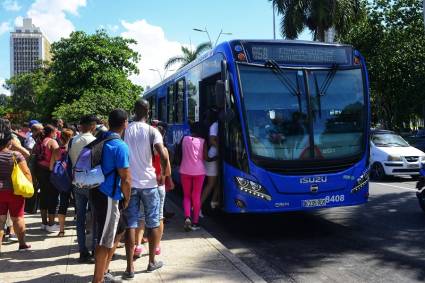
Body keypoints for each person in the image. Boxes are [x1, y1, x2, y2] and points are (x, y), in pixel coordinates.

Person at [123, 99, 169, 278]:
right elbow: (162, 153)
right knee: (154, 222)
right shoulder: (152, 130)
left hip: (131, 184)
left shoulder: (126, 130)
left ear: (133, 111)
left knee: (131, 224)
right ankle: (151, 262)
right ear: (148, 112)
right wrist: (163, 174)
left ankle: (129, 268)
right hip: (150, 184)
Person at [92, 109, 131, 283]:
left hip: (98, 190)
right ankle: (98, 279)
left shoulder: (101, 138)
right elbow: (126, 178)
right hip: (109, 195)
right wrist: (127, 198)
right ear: (125, 123)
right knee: (104, 239)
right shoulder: (120, 145)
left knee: (120, 229)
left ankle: (104, 271)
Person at [68, 115, 98, 263]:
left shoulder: (73, 140)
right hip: (91, 184)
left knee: (80, 218)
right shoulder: (93, 141)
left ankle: (82, 251)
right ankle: (94, 249)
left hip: (76, 183)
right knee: (94, 217)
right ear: (92, 126)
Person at [0, 118, 32, 252]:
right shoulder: (16, 155)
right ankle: (22, 244)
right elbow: (26, 172)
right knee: (17, 217)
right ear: (9, 141)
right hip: (15, 191)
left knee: (0, 220)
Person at [179, 122, 207, 231]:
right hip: (199, 171)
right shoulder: (203, 141)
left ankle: (187, 217)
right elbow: (205, 157)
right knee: (196, 196)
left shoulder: (184, 139)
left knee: (186, 196)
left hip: (185, 170)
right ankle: (195, 222)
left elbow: (180, 152)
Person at [34, 124, 60, 233]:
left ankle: (44, 223)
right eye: (55, 131)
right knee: (53, 198)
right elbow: (57, 155)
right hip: (50, 171)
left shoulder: (39, 142)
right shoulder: (52, 142)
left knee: (43, 197)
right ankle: (51, 224)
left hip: (39, 171)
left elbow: (33, 155)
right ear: (52, 132)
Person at [49, 128, 74, 237]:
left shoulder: (56, 151)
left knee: (62, 205)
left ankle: (61, 230)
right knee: (79, 205)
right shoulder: (72, 150)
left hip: (61, 182)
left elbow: (51, 167)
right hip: (73, 180)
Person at [201, 108, 220, 210]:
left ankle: (213, 201)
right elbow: (212, 140)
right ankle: (197, 207)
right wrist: (222, 149)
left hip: (216, 156)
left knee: (218, 181)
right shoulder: (215, 125)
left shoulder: (217, 124)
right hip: (213, 156)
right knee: (211, 184)